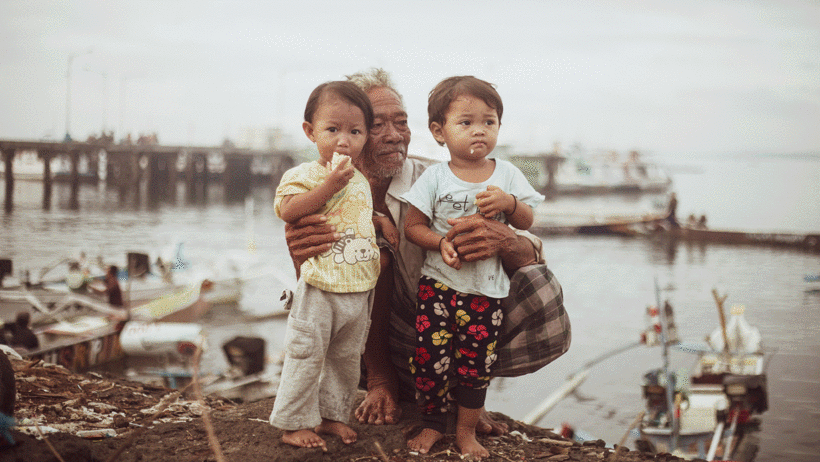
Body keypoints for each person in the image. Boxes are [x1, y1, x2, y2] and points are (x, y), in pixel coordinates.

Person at [283, 68, 570, 436]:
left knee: (534, 281)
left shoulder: (442, 179)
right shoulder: (316, 191)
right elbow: (314, 290)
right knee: (359, 256)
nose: (394, 136)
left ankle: (467, 397)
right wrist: (300, 253)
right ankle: (381, 380)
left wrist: (505, 240)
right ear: (346, 133)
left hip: (449, 324)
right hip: (367, 338)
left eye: (401, 122)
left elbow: (528, 246)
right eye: (375, 125)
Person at [401, 76, 545, 457]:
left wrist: (510, 203)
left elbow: (528, 220)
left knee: (476, 366)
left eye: (489, 121)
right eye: (466, 122)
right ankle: (432, 425)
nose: (479, 130)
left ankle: (466, 432)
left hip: (487, 291)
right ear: (439, 132)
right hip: (439, 285)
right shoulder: (435, 177)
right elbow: (412, 227)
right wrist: (441, 242)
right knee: (430, 361)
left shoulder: (508, 174)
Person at [269, 81, 397, 450]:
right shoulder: (305, 175)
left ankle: (329, 416)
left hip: (357, 289)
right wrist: (327, 185)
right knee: (307, 355)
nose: (344, 140)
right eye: (333, 130)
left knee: (344, 360)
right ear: (310, 131)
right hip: (321, 286)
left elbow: (349, 212)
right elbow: (289, 210)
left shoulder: (356, 177)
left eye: (355, 132)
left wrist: (378, 219)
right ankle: (293, 423)